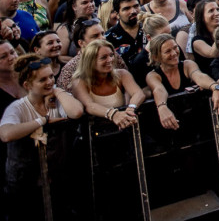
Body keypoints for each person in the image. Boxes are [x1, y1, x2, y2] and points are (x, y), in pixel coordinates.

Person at [0, 53, 84, 217]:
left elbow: (77, 111)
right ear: (27, 85)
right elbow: (6, 134)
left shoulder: (56, 100)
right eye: (42, 80)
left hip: (56, 176)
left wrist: (58, 91)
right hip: (25, 182)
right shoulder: (17, 107)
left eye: (51, 76)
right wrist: (43, 121)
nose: (49, 82)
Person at [143, 33, 219, 130]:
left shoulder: (187, 65)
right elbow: (159, 89)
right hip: (173, 125)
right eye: (167, 51)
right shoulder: (153, 76)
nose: (174, 53)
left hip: (196, 121)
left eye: (175, 48)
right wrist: (162, 107)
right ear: (156, 57)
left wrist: (215, 87)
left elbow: (199, 76)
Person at [70, 39, 145, 129]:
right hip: (96, 133)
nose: (110, 60)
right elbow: (89, 106)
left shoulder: (122, 74)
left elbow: (138, 93)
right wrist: (113, 114)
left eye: (111, 55)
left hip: (123, 128)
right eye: (103, 57)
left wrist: (131, 108)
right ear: (90, 61)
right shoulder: (79, 82)